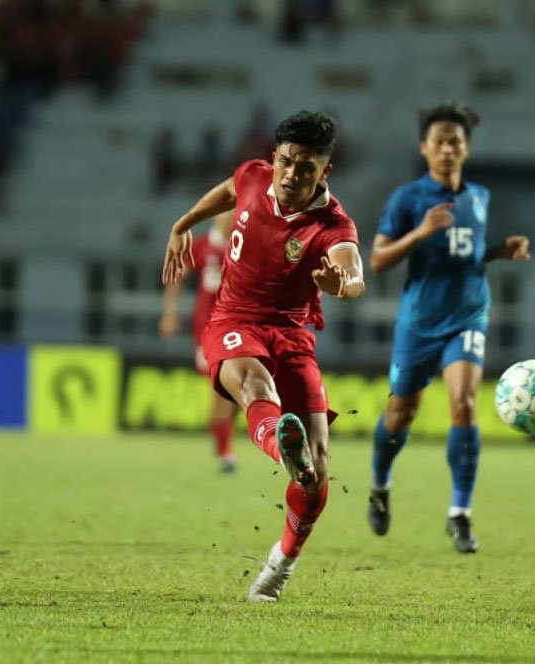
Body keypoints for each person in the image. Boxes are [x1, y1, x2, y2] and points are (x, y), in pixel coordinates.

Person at [161, 110, 364, 601]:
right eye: (287, 162)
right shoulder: (253, 175)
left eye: (307, 168)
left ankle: (280, 565)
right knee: (254, 385)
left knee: (317, 475)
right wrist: (184, 222)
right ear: (274, 158)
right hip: (231, 320)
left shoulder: (333, 226)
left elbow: (353, 273)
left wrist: (343, 285)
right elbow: (229, 191)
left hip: (292, 336)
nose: (293, 175)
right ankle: (280, 444)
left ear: (325, 172)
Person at [366, 102, 531, 554]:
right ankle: (380, 484)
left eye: (455, 142)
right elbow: (378, 261)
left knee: (464, 403)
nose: (447, 149)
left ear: (466, 149)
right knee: (402, 413)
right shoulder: (407, 199)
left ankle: (460, 513)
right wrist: (418, 233)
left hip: (468, 315)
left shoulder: (478, 198)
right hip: (419, 322)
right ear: (424, 148)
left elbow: (469, 254)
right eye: (439, 141)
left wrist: (500, 251)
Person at [159, 210, 238, 473]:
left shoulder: (243, 247)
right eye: (225, 215)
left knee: (231, 393)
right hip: (207, 330)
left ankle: (223, 445)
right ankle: (225, 451)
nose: (229, 220)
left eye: (234, 215)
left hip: (238, 329)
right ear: (216, 218)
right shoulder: (202, 245)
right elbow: (176, 277)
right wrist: (170, 313)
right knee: (222, 391)